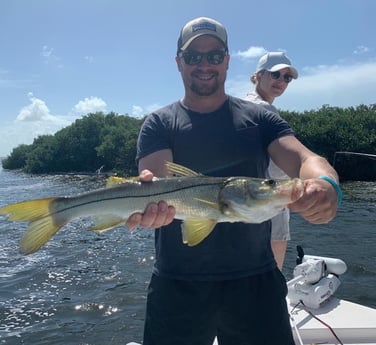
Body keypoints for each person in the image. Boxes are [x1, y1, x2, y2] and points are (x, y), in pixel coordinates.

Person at [126, 17, 341, 345]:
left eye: (214, 55)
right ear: (178, 62)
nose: (204, 64)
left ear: (227, 60)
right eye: (193, 56)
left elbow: (304, 159)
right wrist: (151, 204)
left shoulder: (260, 118)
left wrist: (327, 185)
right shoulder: (159, 123)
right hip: (178, 282)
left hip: (256, 281)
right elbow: (159, 182)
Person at [244, 52, 298, 270]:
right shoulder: (266, 110)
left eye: (287, 78)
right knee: (272, 273)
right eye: (276, 74)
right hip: (270, 198)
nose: (281, 81)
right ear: (258, 75)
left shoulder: (241, 105)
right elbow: (280, 167)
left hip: (247, 203)